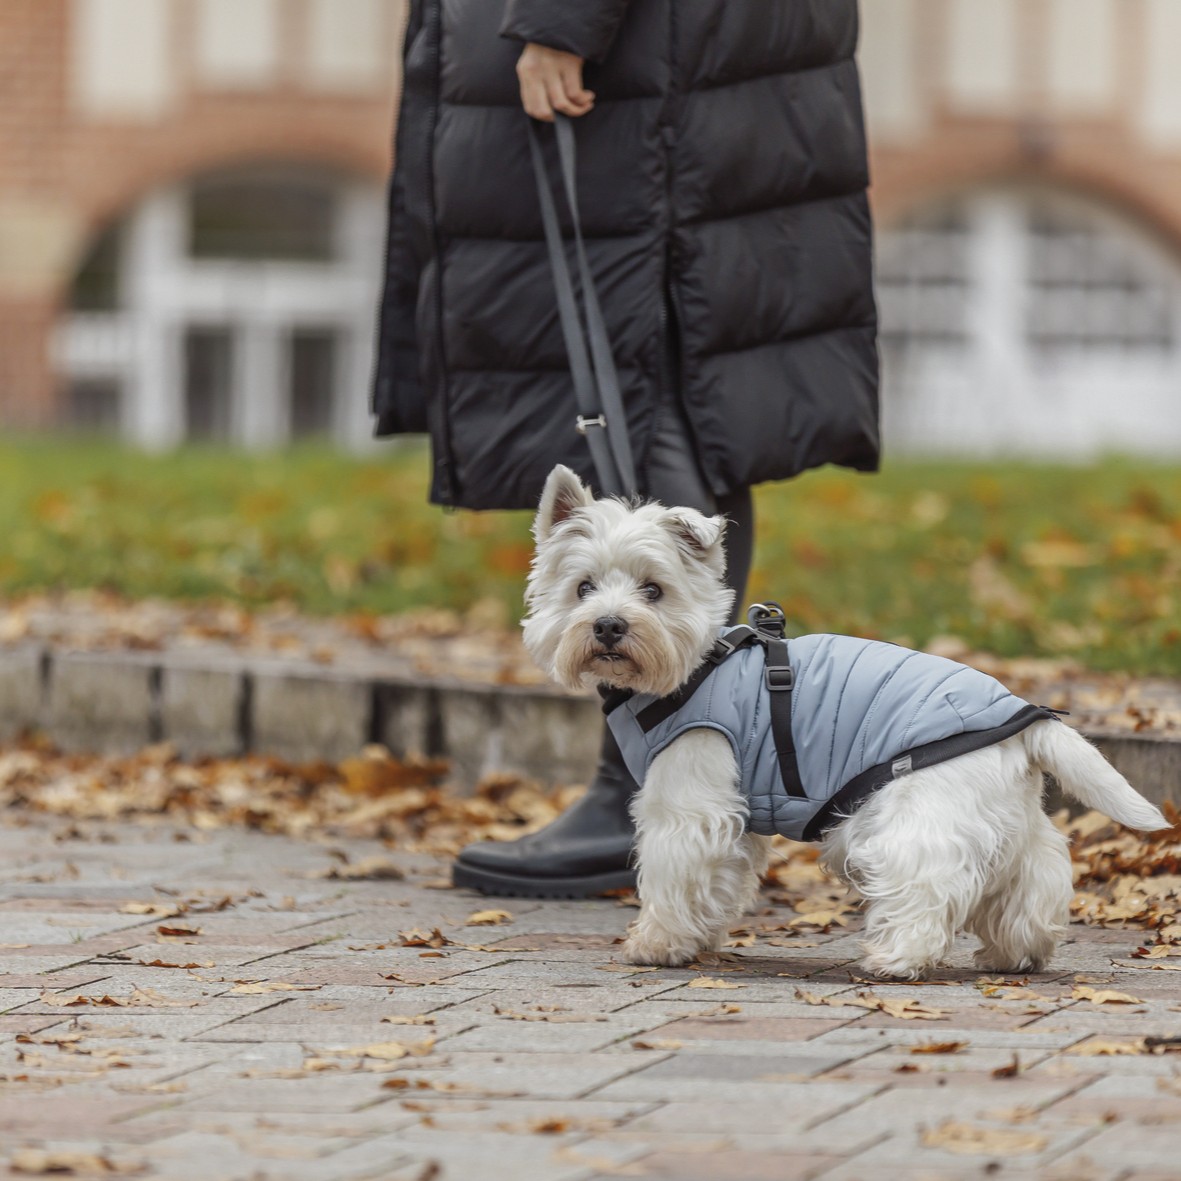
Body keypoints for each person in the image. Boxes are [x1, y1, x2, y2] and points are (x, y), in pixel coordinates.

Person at [372, 0, 880, 898]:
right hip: (667, 63)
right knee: (671, 400)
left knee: (653, 404)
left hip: (639, 70)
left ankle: (660, 787)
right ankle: (675, 785)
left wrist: (562, 19)